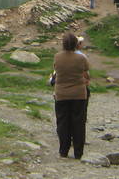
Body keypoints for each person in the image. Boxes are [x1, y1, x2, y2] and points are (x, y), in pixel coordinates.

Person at [53, 32, 90, 160]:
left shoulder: (57, 57)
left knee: (63, 122)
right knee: (79, 123)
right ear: (76, 44)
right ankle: (78, 153)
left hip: (61, 94)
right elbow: (86, 72)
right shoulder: (81, 58)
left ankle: (63, 151)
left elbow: (56, 70)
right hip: (79, 94)